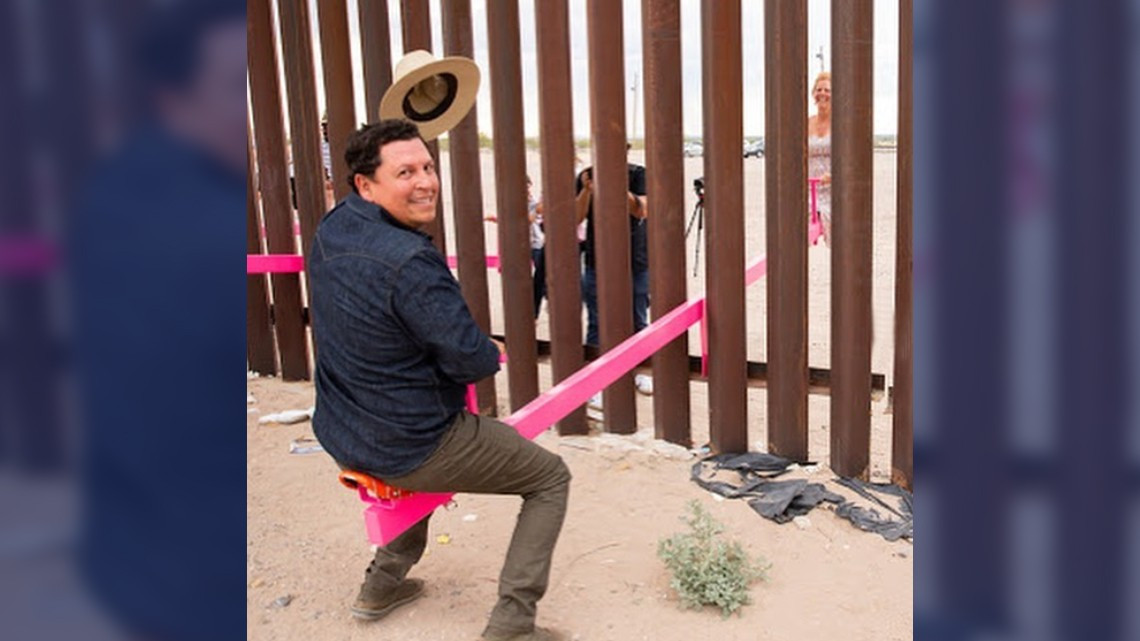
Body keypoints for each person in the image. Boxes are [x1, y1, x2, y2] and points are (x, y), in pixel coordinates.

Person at [308, 120, 572, 641]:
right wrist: (485, 350)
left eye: (428, 167)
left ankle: (380, 587)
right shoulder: (410, 262)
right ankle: (514, 624)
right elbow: (469, 360)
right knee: (549, 478)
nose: (426, 181)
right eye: (405, 172)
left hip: (340, 428)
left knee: (414, 475)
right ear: (366, 184)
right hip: (407, 441)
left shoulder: (333, 226)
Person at [71, 1, 247, 638]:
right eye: (237, 88)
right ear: (174, 102)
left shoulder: (123, 186)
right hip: (186, 570)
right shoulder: (186, 229)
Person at [575, 159, 654, 401]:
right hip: (597, 261)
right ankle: (595, 383)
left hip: (636, 261)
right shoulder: (586, 176)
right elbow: (576, 218)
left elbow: (642, 210)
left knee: (637, 319)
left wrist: (617, 187)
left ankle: (640, 370)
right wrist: (588, 190)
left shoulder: (639, 174)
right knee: (597, 323)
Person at [807, 71, 832, 246]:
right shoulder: (806, 122)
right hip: (810, 185)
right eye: (819, 89)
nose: (822, 93)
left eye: (827, 90)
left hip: (832, 187)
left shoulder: (841, 122)